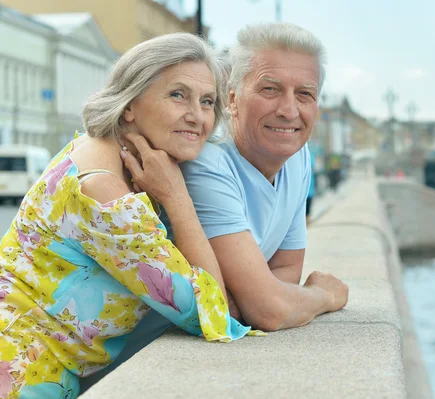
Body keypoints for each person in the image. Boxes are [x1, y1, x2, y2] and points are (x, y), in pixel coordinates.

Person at [0, 33, 256, 399]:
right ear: (130, 104)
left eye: (207, 101)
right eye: (178, 94)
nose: (197, 116)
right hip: (20, 375)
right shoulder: (104, 193)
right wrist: (177, 197)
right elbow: (213, 315)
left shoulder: (100, 152)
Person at [162, 23, 349, 332]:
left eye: (305, 94)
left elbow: (286, 269)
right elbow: (269, 311)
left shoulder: (297, 157)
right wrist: (324, 295)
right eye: (270, 89)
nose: (289, 111)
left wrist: (257, 296)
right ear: (232, 99)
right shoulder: (206, 162)